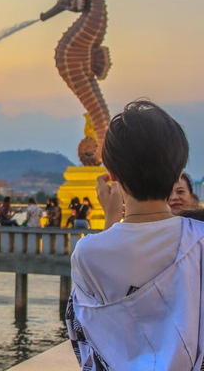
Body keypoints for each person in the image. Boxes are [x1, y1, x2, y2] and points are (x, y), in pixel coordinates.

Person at [66, 100, 204, 370]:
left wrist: (110, 219)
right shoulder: (198, 237)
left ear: (112, 174)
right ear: (178, 172)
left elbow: (90, 336)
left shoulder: (88, 254)